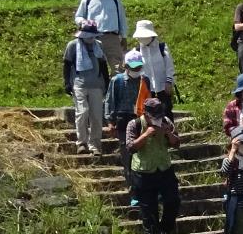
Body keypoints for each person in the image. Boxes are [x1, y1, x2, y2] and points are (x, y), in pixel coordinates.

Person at [125, 97, 181, 234]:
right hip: (143, 171)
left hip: (164, 168)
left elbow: (177, 144)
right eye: (154, 116)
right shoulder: (134, 124)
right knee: (148, 207)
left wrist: (168, 133)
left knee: (173, 200)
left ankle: (167, 228)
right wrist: (146, 134)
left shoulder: (166, 122)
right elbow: (130, 147)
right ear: (146, 114)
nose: (157, 119)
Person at [61, 19, 112, 155]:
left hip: (96, 85)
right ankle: (82, 142)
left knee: (96, 116)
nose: (91, 38)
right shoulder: (72, 46)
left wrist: (106, 83)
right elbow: (66, 64)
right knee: (82, 112)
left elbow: (103, 65)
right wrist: (67, 83)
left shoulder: (98, 45)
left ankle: (95, 144)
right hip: (79, 84)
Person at [106, 48, 149, 179]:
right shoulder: (117, 80)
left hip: (140, 119)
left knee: (143, 150)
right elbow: (110, 101)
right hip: (123, 118)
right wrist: (110, 121)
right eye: (134, 67)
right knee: (126, 151)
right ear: (126, 66)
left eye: (139, 67)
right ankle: (130, 181)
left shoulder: (144, 80)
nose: (137, 70)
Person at [77, 0, 127, 69]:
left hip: (112, 37)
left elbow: (122, 18)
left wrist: (124, 36)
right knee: (96, 68)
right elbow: (78, 16)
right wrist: (83, 22)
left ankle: (116, 84)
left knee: (117, 68)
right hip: (92, 38)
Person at [132, 19, 176, 108]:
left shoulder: (162, 48)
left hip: (162, 87)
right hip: (146, 89)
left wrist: (169, 81)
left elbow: (169, 67)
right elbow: (136, 71)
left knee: (166, 111)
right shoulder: (136, 51)